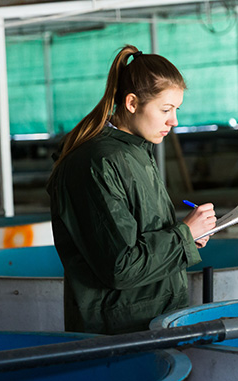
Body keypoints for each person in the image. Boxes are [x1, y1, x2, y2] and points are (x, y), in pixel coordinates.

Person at [47, 44, 216, 335]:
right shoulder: (96, 163)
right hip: (120, 332)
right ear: (131, 103)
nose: (174, 121)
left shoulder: (136, 152)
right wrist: (183, 236)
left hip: (151, 319)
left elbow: (142, 235)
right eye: (166, 109)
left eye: (176, 109)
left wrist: (189, 235)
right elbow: (121, 265)